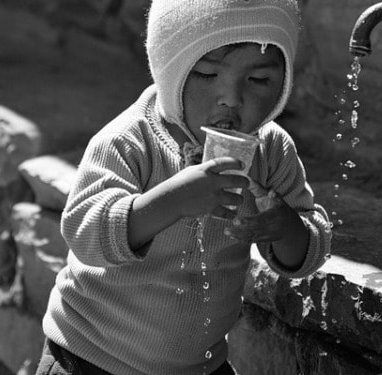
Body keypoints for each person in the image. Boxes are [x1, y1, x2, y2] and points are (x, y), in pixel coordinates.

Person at [36, 0, 332, 374]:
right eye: (208, 74)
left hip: (199, 366)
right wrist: (173, 201)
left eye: (259, 80)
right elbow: (85, 233)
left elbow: (311, 249)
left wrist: (286, 227)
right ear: (171, 72)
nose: (232, 98)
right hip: (90, 358)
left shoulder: (270, 151)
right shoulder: (130, 142)